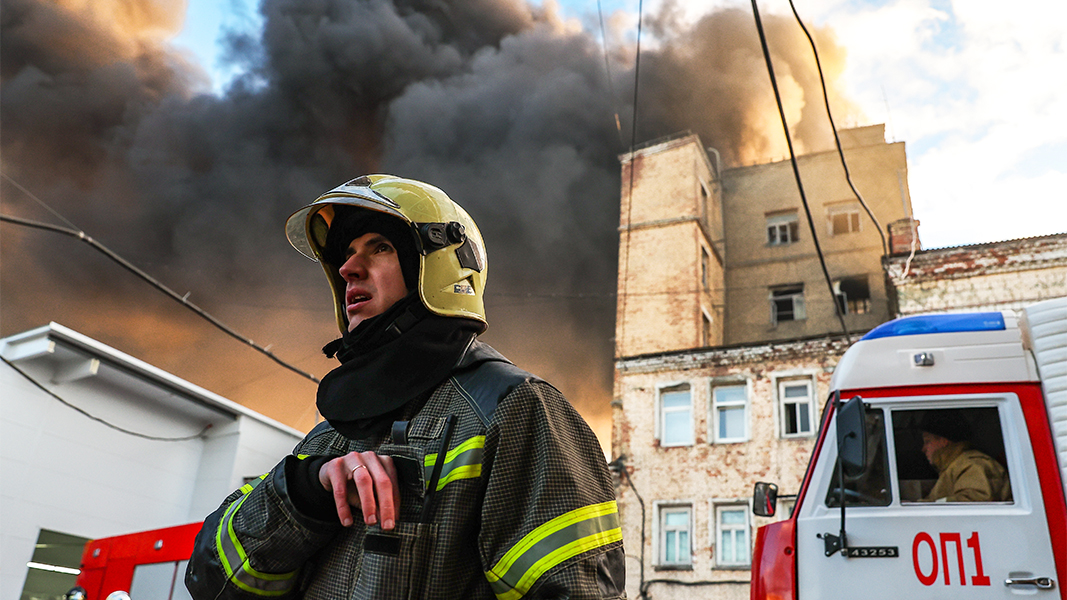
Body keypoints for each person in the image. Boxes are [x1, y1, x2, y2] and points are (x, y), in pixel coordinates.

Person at [185, 175, 626, 599]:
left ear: (438, 268)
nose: (348, 268)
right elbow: (210, 582)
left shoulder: (514, 410)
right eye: (346, 254)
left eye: (379, 248)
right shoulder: (330, 437)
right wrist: (306, 490)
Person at [920, 410, 1011, 503]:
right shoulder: (954, 466)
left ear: (944, 441)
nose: (923, 449)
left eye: (927, 441)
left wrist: (934, 505)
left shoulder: (972, 465)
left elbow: (974, 502)